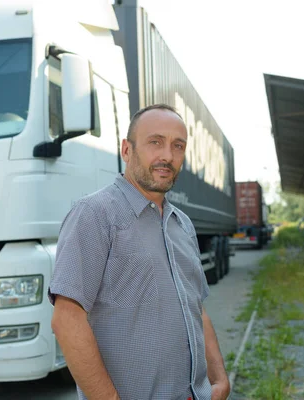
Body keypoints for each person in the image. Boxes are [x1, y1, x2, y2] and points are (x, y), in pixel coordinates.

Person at [48, 103, 231, 400]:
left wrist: (219, 378)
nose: (167, 156)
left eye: (178, 146)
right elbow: (66, 320)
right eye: (155, 142)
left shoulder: (182, 225)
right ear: (126, 150)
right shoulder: (94, 215)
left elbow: (198, 310)